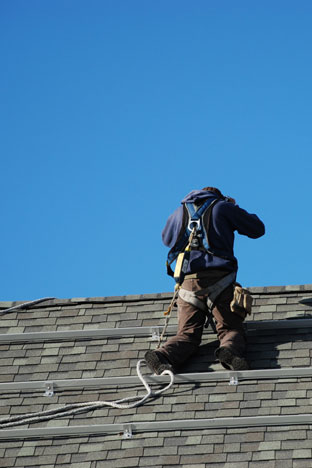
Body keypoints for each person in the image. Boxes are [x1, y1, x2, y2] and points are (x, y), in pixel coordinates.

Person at [145, 187, 265, 374]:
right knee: (230, 329)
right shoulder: (222, 207)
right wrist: (232, 207)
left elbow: (166, 239)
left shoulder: (179, 213)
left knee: (187, 335)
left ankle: (163, 355)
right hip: (220, 280)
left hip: (188, 284)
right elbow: (257, 228)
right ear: (218, 196)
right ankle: (229, 352)